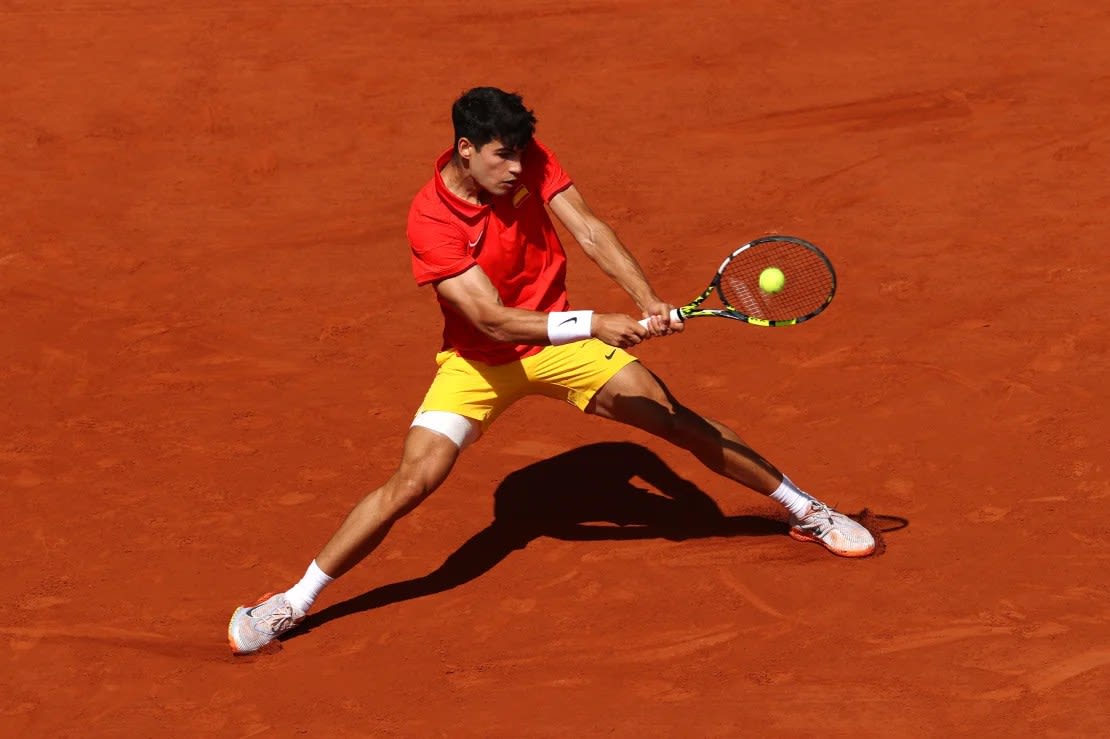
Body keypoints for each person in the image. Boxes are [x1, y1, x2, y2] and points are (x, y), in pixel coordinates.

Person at [227, 86, 875, 655]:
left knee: (675, 420)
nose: (517, 168)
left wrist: (646, 298)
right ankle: (293, 599)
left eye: (520, 154)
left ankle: (805, 508)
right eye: (501, 157)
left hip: (563, 349)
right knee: (412, 481)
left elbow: (589, 230)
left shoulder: (525, 157)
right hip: (480, 363)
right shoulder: (430, 221)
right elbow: (493, 319)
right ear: (464, 150)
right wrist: (596, 321)